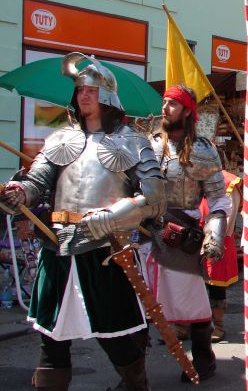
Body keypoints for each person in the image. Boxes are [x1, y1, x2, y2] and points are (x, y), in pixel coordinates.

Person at [0, 52, 165, 391]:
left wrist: (113, 216)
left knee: (116, 336)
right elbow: (37, 181)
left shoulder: (133, 141)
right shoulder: (60, 138)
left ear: (106, 95)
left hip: (106, 249)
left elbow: (156, 197)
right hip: (56, 244)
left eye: (90, 89)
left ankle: (136, 384)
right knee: (51, 337)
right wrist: (20, 193)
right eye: (79, 90)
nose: (83, 95)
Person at [144, 85, 230, 382]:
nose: (165, 108)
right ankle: (134, 373)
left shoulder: (204, 151)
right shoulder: (149, 146)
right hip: (147, 232)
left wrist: (214, 235)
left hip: (182, 236)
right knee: (140, 300)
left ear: (187, 111)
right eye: (165, 102)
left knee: (193, 301)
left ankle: (203, 361)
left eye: (173, 104)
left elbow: (219, 200)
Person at [201, 170, 242, 343]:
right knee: (190, 283)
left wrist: (213, 234)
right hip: (190, 236)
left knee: (216, 287)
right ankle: (185, 324)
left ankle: (217, 325)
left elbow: (228, 217)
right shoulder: (192, 175)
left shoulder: (227, 182)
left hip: (215, 238)